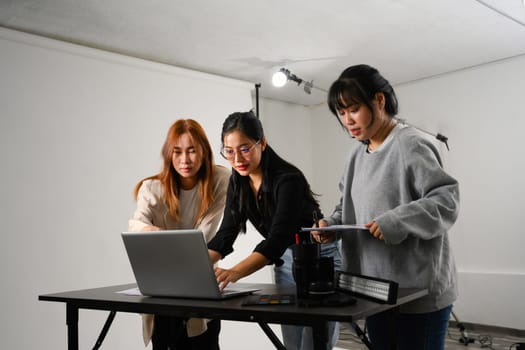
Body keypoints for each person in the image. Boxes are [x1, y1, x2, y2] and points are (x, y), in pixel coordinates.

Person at [313, 64, 460, 350]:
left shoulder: (411, 144)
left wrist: (397, 221)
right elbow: (349, 206)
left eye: (353, 109)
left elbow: (446, 200)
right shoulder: (355, 155)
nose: (347, 120)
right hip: (374, 292)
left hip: (417, 294)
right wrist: (331, 225)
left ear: (379, 100)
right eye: (341, 113)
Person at [207, 111, 341, 350]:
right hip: (285, 260)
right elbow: (225, 235)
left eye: (245, 148)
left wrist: (234, 273)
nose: (237, 158)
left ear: (263, 143)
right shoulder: (237, 182)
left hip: (319, 258)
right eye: (229, 151)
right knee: (292, 343)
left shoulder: (288, 179)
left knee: (313, 344)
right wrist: (194, 266)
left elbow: (277, 240)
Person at [128, 118, 230, 350]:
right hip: (162, 293)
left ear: (204, 152)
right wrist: (149, 230)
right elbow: (136, 223)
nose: (185, 160)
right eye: (177, 152)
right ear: (168, 154)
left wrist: (161, 244)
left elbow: (204, 237)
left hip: (201, 293)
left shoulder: (220, 180)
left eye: (192, 151)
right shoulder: (152, 187)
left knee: (204, 342)